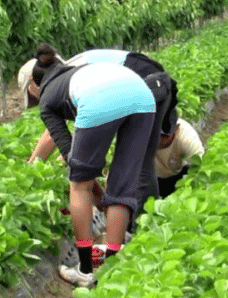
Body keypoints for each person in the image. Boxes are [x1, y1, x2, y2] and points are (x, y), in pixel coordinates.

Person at [29, 44, 158, 287]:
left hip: (101, 96)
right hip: (142, 94)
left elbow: (68, 153)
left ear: (35, 85)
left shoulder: (47, 98)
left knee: (78, 186)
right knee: (123, 184)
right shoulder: (78, 70)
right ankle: (112, 264)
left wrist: (86, 180)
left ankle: (86, 269)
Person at [19, 46, 177, 215]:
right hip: (156, 83)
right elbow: (78, 133)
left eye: (33, 96)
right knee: (142, 160)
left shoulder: (70, 73)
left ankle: (140, 226)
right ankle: (145, 222)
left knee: (137, 164)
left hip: (145, 84)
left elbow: (53, 135)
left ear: (33, 83)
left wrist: (32, 167)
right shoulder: (70, 73)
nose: (38, 99)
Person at [155, 113, 205, 198]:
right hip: (151, 175)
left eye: (164, 135)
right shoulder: (142, 134)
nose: (159, 139)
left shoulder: (187, 138)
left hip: (177, 176)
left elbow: (201, 168)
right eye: (156, 134)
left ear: (175, 129)